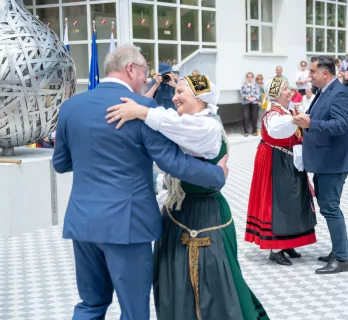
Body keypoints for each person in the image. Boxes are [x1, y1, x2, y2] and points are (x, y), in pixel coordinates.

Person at [52, 45, 228, 319]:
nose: (147, 78)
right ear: (130, 69)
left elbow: (60, 163)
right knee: (134, 310)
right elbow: (172, 162)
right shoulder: (141, 107)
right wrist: (218, 175)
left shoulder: (71, 107)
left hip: (83, 222)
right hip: (127, 226)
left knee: (91, 304)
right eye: (144, 70)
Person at [105, 74, 269, 320]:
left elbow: (175, 127)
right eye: (176, 91)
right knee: (176, 283)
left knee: (213, 285)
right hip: (179, 213)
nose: (175, 97)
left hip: (205, 216)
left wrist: (141, 111)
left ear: (201, 98)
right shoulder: (189, 121)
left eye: (181, 92)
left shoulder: (206, 126)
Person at [293, 56, 348, 274]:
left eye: (313, 71)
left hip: (335, 160)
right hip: (325, 160)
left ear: (325, 73)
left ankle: (342, 259)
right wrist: (306, 118)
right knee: (328, 206)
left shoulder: (340, 93)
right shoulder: (325, 92)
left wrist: (310, 123)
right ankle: (341, 249)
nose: (309, 75)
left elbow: (340, 125)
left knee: (330, 207)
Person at [245, 77, 317, 267]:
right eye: (285, 89)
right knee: (279, 202)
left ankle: (288, 242)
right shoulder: (272, 113)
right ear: (276, 94)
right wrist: (293, 120)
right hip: (275, 160)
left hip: (291, 160)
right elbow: (277, 129)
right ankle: (275, 249)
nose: (289, 90)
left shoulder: (291, 109)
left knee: (292, 202)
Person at [240, 72, 261, 137]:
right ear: (247, 77)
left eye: (251, 77)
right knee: (245, 116)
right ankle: (246, 131)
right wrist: (247, 98)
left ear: (252, 77)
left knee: (254, 116)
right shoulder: (243, 85)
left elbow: (258, 93)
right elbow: (241, 93)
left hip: (254, 101)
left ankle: (254, 131)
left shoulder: (256, 85)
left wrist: (254, 98)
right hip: (246, 101)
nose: (250, 78)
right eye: (248, 77)